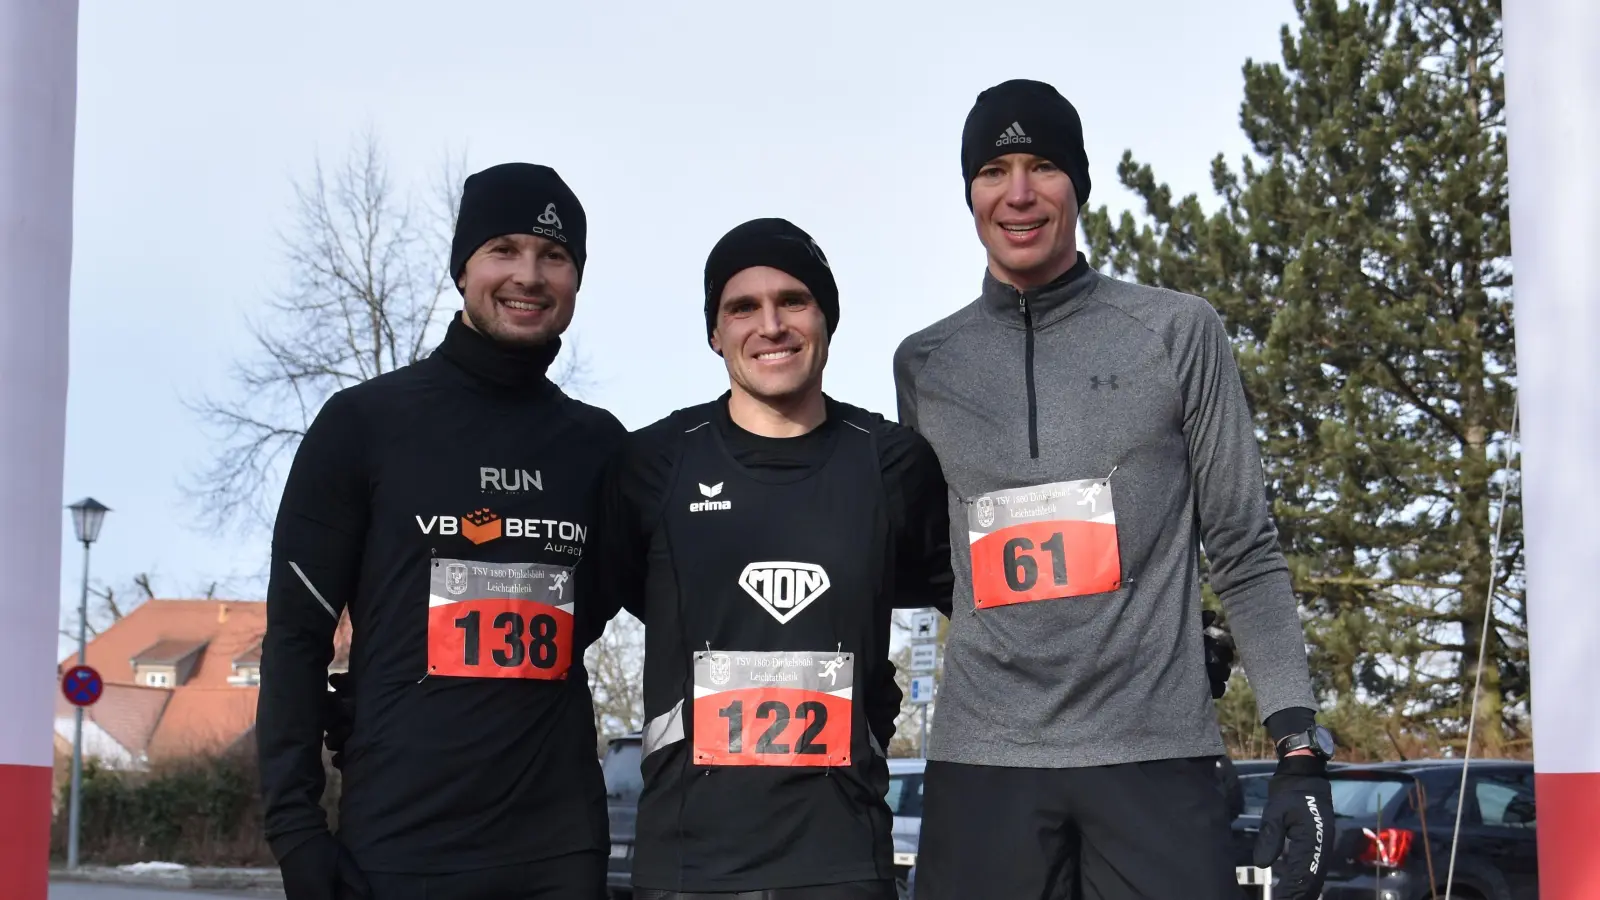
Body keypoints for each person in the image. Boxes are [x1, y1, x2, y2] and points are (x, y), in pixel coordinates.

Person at [893, 79, 1336, 900]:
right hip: (984, 764)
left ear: (1079, 186)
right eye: (994, 170)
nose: (1018, 193)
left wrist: (1298, 745)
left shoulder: (1178, 331)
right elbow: (937, 567)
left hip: (1154, 755)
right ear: (969, 193)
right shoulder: (924, 365)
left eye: (1042, 167)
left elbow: (1242, 546)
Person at [258, 162, 624, 900]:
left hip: (556, 853)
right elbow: (295, 641)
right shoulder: (364, 424)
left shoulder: (601, 448)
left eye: (554, 257)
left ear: (576, 281)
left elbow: (688, 599)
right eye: (505, 250)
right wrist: (297, 837)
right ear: (463, 269)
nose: (529, 275)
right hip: (397, 844)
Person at [588, 218, 952, 899]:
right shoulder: (653, 463)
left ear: (826, 319)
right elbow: (594, 606)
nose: (771, 325)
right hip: (688, 869)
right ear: (715, 332)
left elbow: (977, 607)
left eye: (793, 300)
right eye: (742, 307)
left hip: (843, 862)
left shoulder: (893, 462)